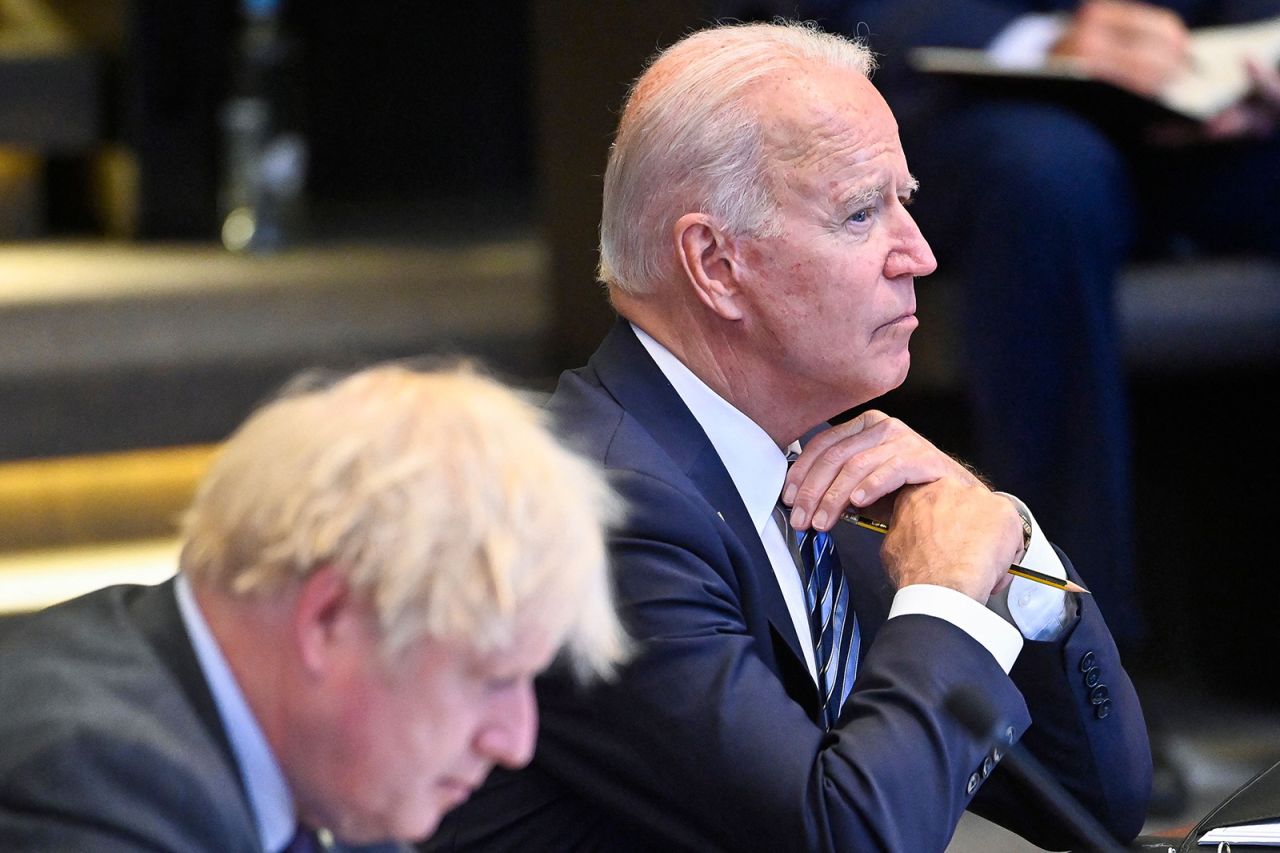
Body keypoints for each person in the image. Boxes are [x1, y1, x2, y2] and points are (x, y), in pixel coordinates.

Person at [427, 21, 1151, 853]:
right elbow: (844, 838)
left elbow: (1101, 800)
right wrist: (946, 595)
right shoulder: (598, 510)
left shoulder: (826, 473)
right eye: (859, 212)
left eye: (905, 202)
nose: (918, 253)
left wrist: (1004, 542)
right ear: (716, 264)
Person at [795, 0, 1280, 653]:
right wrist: (1042, 40)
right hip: (955, 104)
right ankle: (1076, 645)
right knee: (1047, 179)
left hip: (1191, 109)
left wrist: (1255, 68)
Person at [0, 364, 626, 852]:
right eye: (492, 679)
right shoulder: (90, 783)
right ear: (328, 620)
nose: (515, 741)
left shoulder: (321, 781)